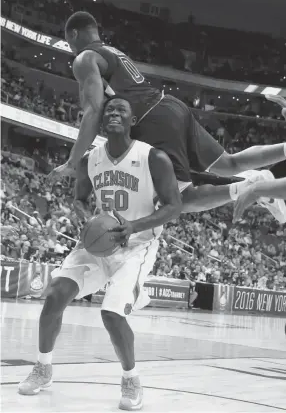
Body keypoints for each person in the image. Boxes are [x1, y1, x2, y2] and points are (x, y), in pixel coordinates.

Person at [18, 96, 182, 411]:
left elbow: (174, 206)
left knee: (111, 313)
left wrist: (134, 226)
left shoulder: (153, 158)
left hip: (137, 244)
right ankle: (43, 367)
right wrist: (86, 219)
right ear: (101, 122)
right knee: (55, 296)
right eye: (108, 110)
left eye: (121, 109)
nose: (113, 113)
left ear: (133, 121)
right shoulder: (89, 160)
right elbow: (80, 200)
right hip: (97, 243)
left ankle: (131, 378)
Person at [48, 11, 286, 222]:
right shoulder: (111, 52)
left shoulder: (84, 59)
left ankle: (251, 185)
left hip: (151, 120)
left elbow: (93, 110)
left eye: (68, 41)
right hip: (170, 106)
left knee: (180, 199)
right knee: (231, 163)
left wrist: (72, 162)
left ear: (74, 34)